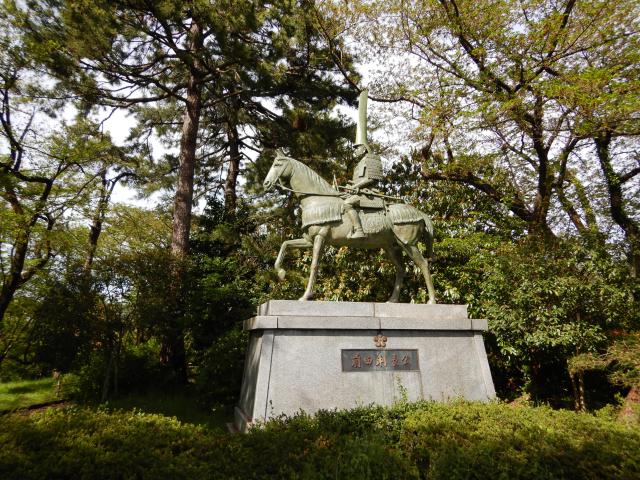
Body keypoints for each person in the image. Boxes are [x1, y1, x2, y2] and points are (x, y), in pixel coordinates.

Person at [344, 143, 384, 238]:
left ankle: (359, 230)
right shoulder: (358, 165)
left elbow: (372, 179)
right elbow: (358, 181)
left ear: (364, 149)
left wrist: (355, 186)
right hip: (359, 193)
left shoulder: (371, 160)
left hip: (369, 194)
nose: (355, 151)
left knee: (347, 204)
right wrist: (351, 186)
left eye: (357, 148)